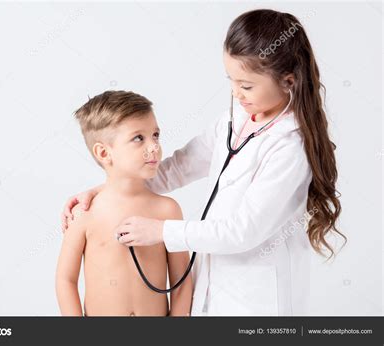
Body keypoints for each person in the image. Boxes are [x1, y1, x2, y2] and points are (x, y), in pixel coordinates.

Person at [62, 9, 345, 316]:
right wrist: (106, 192)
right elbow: (177, 167)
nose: (236, 94)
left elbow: (244, 231)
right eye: (231, 81)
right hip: (212, 290)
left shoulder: (290, 146)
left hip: (258, 301)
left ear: (288, 82)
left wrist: (162, 232)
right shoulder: (233, 121)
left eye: (247, 86)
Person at [56, 90, 192, 316]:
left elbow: (182, 279)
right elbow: (65, 279)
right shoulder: (84, 213)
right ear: (103, 152)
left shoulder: (167, 209)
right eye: (139, 138)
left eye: (155, 135)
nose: (154, 147)